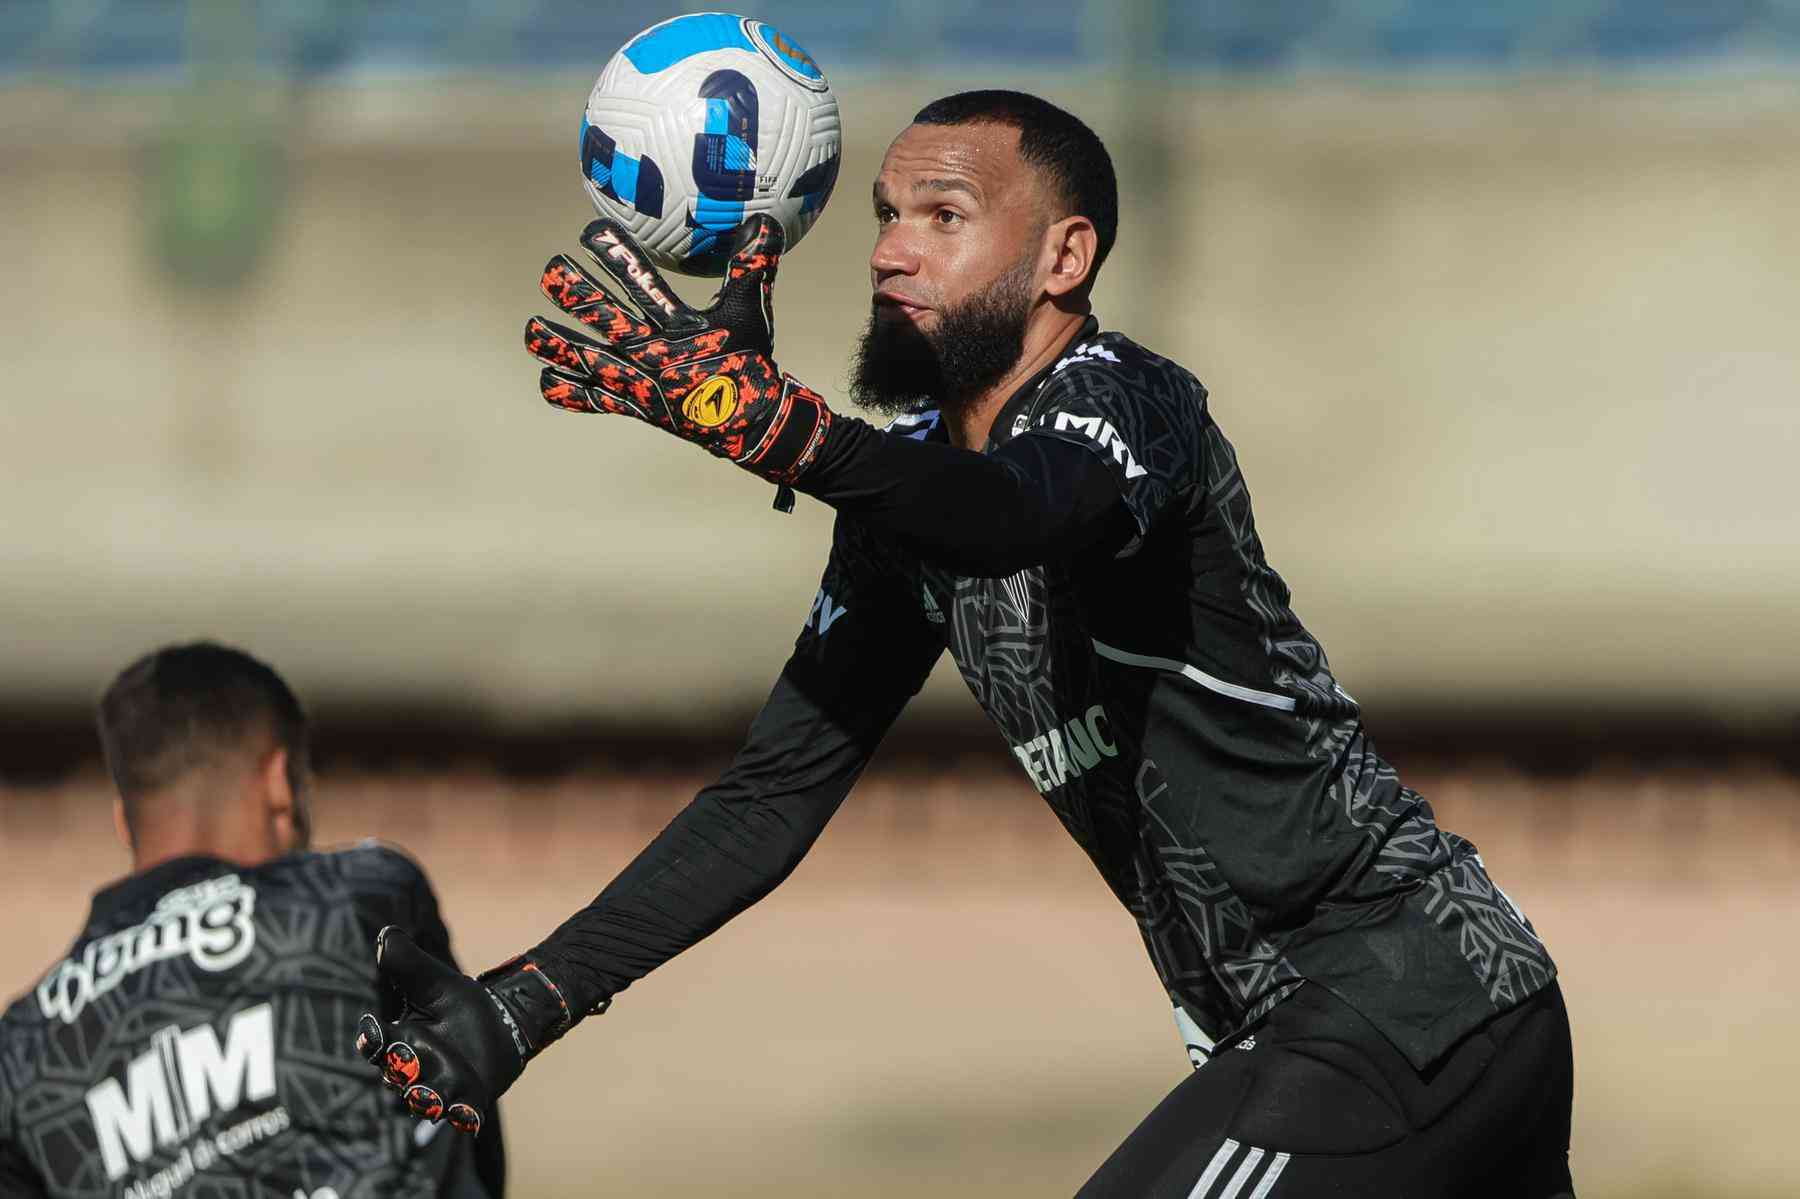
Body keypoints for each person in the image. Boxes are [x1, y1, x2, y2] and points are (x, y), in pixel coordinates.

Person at [355, 91, 1575, 1196]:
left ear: (1065, 256)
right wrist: (527, 1004)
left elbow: (1017, 516)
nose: (891, 250)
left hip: (1402, 998)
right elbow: (772, 793)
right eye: (887, 215)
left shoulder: (1128, 398)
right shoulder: (913, 496)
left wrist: (793, 438)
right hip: (1335, 1029)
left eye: (945, 215)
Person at [0, 642, 504, 1198]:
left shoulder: (20, 1053)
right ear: (281, 784)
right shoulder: (359, 895)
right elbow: (473, 1130)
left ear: (125, 823)